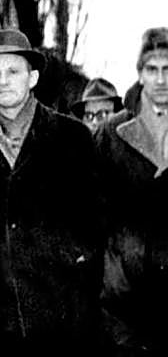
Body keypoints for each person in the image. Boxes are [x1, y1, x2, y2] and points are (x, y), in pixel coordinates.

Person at [0, 29, 104, 356]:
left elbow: (95, 212)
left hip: (62, 308)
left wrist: (73, 256)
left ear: (33, 77)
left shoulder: (72, 137)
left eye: (13, 71)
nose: (3, 81)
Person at [94, 27, 168, 355]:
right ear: (140, 73)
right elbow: (91, 208)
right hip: (125, 294)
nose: (161, 79)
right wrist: (112, 270)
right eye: (152, 69)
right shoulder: (112, 134)